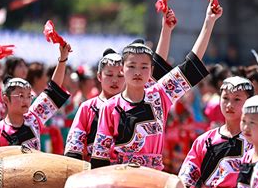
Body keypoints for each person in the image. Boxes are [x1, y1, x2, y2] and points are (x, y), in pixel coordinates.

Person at [90, 1, 223, 170]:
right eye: (131, 66)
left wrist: (209, 22)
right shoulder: (109, 107)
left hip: (154, 180)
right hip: (120, 180)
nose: (138, 72)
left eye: (144, 67)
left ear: (151, 70)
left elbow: (191, 66)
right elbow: (99, 157)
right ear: (122, 69)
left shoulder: (159, 95)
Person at [64, 9, 177, 162]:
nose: (115, 80)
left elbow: (157, 66)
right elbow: (74, 147)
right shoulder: (87, 107)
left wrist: (166, 30)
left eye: (119, 75)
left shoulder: (139, 99)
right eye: (109, 75)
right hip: (95, 171)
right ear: (99, 76)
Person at [0, 44, 71, 150]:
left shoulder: (33, 119)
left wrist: (62, 59)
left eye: (29, 96)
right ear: (6, 98)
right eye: (20, 96)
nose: (25, 100)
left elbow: (53, 89)